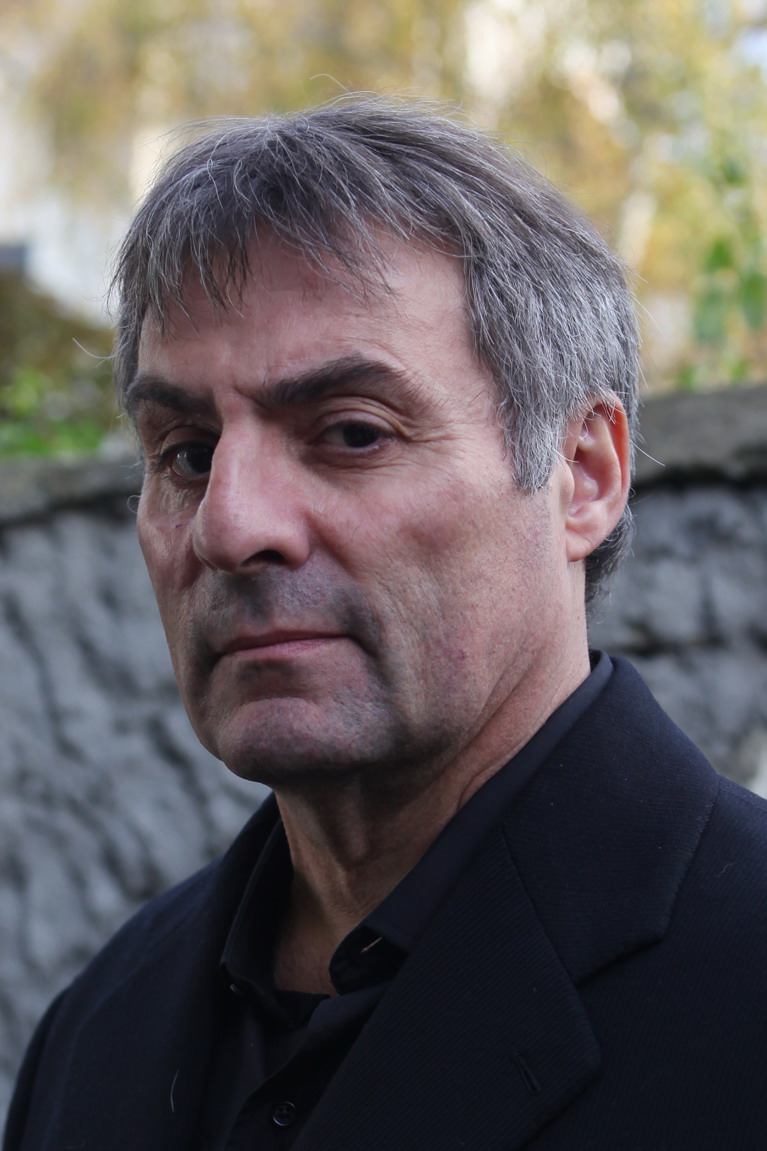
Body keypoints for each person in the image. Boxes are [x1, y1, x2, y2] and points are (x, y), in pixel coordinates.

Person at [5, 96, 767, 1151]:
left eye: (352, 433)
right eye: (186, 452)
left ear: (582, 474)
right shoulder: (97, 1032)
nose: (230, 524)